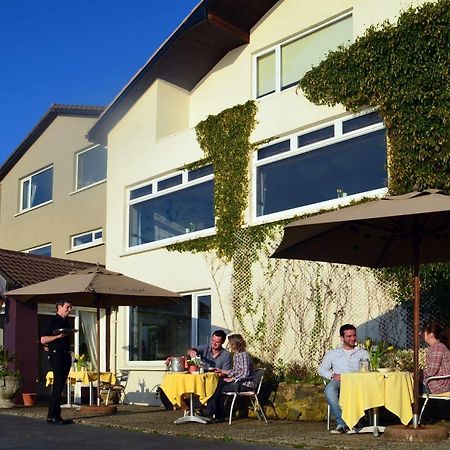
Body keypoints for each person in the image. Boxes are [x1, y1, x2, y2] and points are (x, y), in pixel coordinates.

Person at [318, 324, 369, 434]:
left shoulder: (363, 353)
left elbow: (370, 370)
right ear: (342, 338)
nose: (352, 338)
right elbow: (321, 369)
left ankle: (359, 420)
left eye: (354, 335)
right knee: (329, 390)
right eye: (349, 336)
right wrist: (332, 375)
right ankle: (342, 422)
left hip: (358, 382)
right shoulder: (333, 353)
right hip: (340, 381)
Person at [203, 333, 256, 422]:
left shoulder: (243, 355)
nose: (229, 345)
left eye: (231, 344)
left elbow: (245, 374)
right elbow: (236, 371)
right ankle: (214, 412)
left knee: (219, 387)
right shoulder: (236, 355)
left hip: (246, 384)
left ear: (236, 344)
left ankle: (213, 412)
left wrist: (233, 379)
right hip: (239, 381)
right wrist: (222, 371)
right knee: (218, 383)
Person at [40, 300, 76, 425]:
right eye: (67, 307)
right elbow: (43, 339)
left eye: (70, 307)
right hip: (57, 356)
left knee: (60, 386)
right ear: (59, 307)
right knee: (58, 384)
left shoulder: (66, 322)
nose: (69, 309)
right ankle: (53, 415)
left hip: (65, 355)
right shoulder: (53, 321)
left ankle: (54, 414)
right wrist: (56, 338)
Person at [422, 321, 450, 394]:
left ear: (431, 334)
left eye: (423, 331)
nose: (419, 333)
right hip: (440, 383)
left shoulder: (437, 347)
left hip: (438, 385)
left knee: (409, 388)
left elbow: (431, 371)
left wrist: (418, 372)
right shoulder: (437, 346)